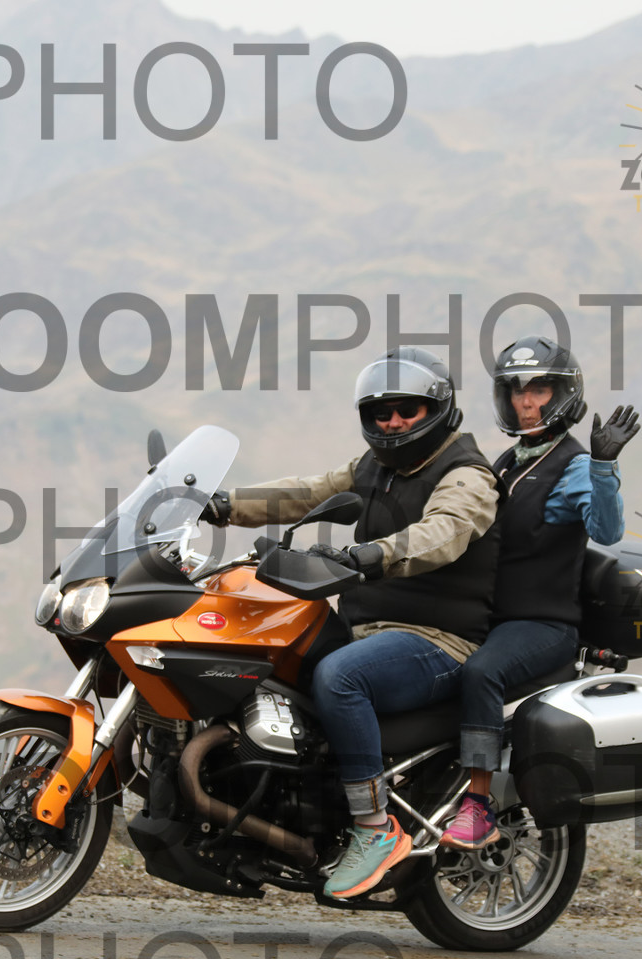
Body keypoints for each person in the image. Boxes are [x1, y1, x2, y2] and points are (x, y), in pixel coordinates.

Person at [201, 347, 501, 898]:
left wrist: (370, 555)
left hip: (437, 641)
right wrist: (222, 505)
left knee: (341, 677)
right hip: (369, 629)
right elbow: (307, 492)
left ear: (438, 408)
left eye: (407, 410)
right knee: (263, 647)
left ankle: (374, 826)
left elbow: (444, 531)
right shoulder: (373, 469)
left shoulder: (467, 476)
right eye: (381, 413)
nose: (393, 422)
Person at [438, 336, 639, 850]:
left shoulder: (573, 466)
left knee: (482, 672)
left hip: (542, 624)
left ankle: (478, 806)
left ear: (563, 394)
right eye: (516, 391)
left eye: (539, 390)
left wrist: (604, 466)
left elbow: (607, 529)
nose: (526, 403)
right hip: (491, 616)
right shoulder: (508, 461)